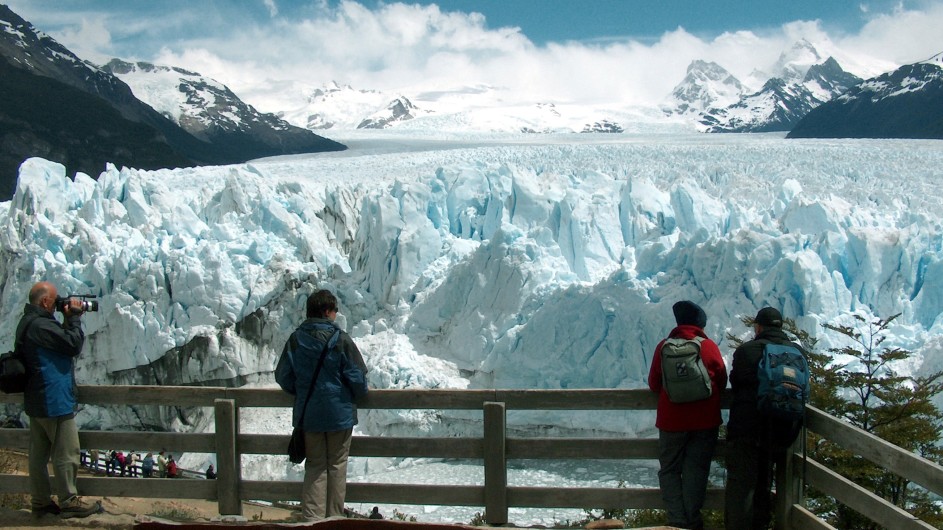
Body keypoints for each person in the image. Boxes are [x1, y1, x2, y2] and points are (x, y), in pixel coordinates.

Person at [276, 289, 369, 521]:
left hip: (310, 416)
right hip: (339, 415)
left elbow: (283, 375)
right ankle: (334, 520)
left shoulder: (296, 339)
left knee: (316, 466)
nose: (337, 314)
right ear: (327, 311)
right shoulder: (341, 340)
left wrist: (301, 390)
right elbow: (358, 379)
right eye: (335, 310)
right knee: (337, 466)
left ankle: (312, 521)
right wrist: (351, 395)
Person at [19, 281, 102, 519]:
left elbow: (59, 344)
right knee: (67, 452)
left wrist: (66, 320)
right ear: (45, 302)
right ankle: (68, 501)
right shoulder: (42, 326)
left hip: (38, 400)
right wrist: (74, 318)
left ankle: (41, 502)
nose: (59, 305)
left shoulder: (29, 323)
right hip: (54, 399)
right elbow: (72, 344)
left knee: (38, 454)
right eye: (56, 301)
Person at [647, 301, 728, 530]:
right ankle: (693, 521)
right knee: (696, 469)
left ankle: (676, 520)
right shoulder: (708, 346)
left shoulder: (664, 347)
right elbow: (721, 381)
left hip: (671, 422)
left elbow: (654, 383)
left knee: (670, 469)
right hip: (704, 422)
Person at [725, 307, 807, 530]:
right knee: (764, 486)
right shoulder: (796, 353)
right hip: (781, 432)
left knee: (741, 488)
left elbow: (737, 381)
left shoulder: (747, 351)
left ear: (758, 327)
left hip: (747, 430)